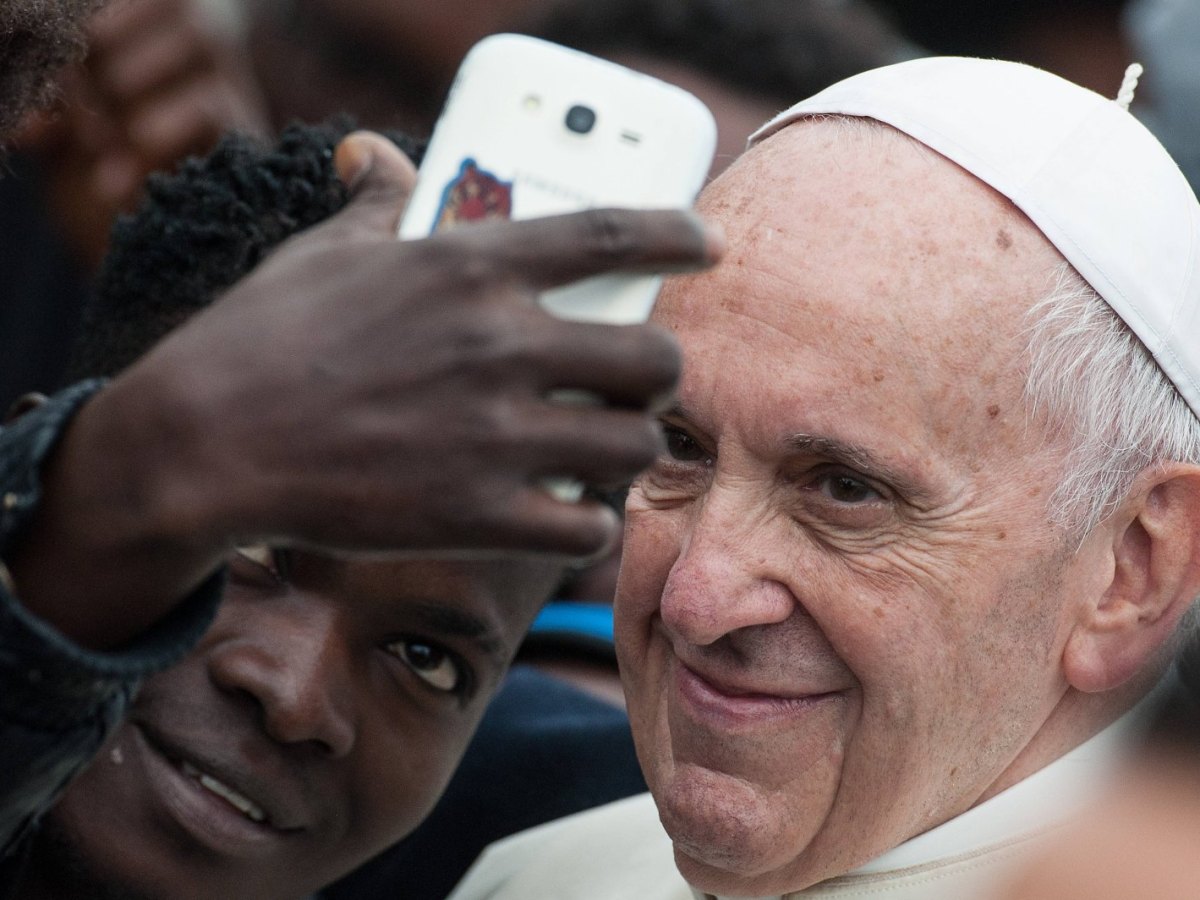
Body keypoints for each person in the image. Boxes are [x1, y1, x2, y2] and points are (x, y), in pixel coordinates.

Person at [0, 0, 721, 886]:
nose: (294, 696)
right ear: (42, 458)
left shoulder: (564, 831)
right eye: (244, 541)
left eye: (429, 660)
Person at [446, 56, 1200, 900]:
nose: (697, 597)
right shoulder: (535, 876)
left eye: (844, 490)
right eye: (680, 447)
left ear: (1133, 567)